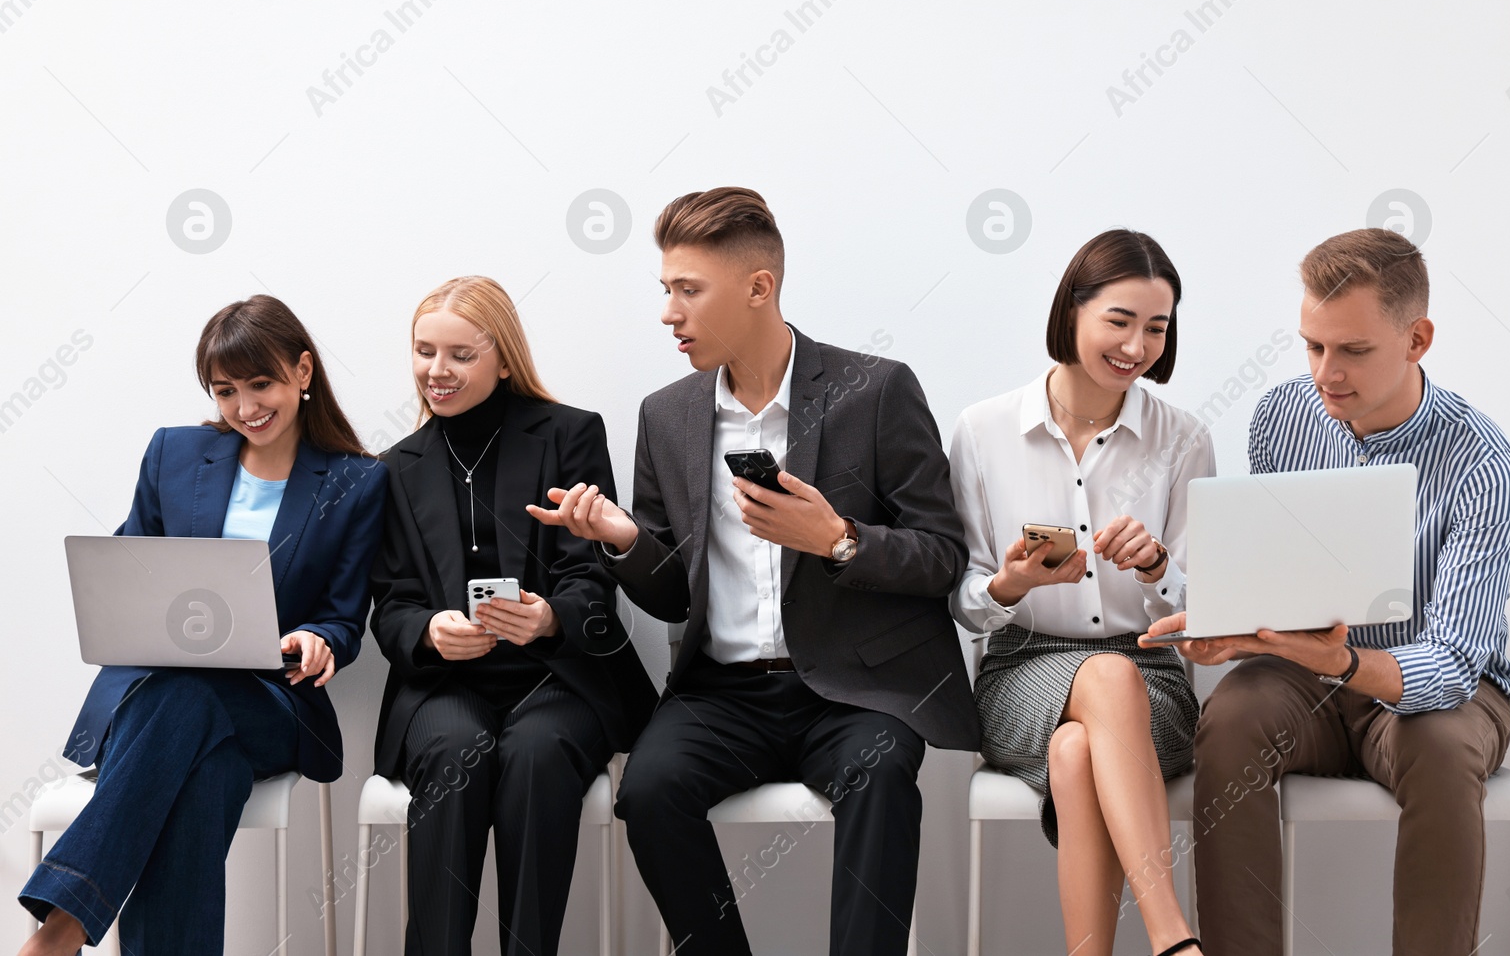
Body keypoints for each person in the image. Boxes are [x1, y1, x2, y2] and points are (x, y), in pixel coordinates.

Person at [530, 187, 981, 956]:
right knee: (648, 790)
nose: (669, 312)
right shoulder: (666, 414)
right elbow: (673, 595)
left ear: (758, 287)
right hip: (721, 694)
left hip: (851, 691)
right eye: (665, 289)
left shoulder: (875, 389)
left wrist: (835, 537)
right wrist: (622, 537)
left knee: (879, 777)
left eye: (688, 290)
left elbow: (942, 557)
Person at [1142, 228, 1510, 955]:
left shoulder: (1484, 463)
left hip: (1437, 691)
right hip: (1309, 681)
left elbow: (1450, 664)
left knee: (1440, 743)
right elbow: (1276, 579)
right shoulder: (1282, 417)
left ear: (1417, 339)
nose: (1326, 371)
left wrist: (1346, 663)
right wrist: (1237, 627)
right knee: (1231, 718)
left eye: (1352, 350)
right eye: (1313, 346)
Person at [18, 295, 388, 956]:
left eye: (261, 383)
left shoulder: (356, 482)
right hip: (168, 703)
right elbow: (131, 563)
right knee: (202, 773)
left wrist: (320, 639)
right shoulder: (175, 454)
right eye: (225, 390)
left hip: (272, 702)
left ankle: (63, 924)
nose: (245, 407)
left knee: (189, 700)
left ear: (303, 372)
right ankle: (67, 925)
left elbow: (343, 616)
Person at [368, 276, 656, 956]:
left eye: (460, 355)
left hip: (558, 677)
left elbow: (594, 577)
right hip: (447, 685)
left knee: (536, 755)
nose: (436, 371)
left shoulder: (570, 434)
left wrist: (550, 617)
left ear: (503, 358)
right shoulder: (394, 468)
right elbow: (393, 605)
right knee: (452, 750)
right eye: (423, 351)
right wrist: (430, 632)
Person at [950, 229, 1210, 956]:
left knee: (1076, 749)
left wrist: (1159, 569)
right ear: (1073, 310)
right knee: (1097, 680)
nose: (1138, 345)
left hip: (1152, 673)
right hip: (1019, 669)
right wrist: (1012, 582)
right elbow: (961, 602)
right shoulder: (983, 431)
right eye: (1120, 320)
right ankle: (1173, 938)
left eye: (1156, 327)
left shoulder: (1183, 438)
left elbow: (1203, 616)